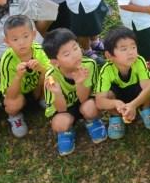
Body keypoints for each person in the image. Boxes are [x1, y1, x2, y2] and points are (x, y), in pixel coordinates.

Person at [42, 27, 107, 155]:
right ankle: (67, 131)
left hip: (84, 101)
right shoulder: (51, 77)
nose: (75, 54)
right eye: (67, 54)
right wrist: (57, 93)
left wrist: (80, 82)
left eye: (75, 48)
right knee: (59, 124)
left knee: (91, 107)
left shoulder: (89, 65)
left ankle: (92, 121)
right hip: (65, 108)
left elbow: (84, 99)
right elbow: (60, 109)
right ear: (55, 62)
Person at [94, 26, 150, 139]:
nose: (131, 52)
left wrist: (133, 105)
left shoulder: (139, 61)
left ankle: (147, 110)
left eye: (133, 47)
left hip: (136, 93)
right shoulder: (106, 70)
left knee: (148, 87)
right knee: (109, 95)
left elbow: (148, 90)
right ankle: (116, 117)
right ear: (109, 55)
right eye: (124, 49)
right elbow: (100, 101)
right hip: (118, 96)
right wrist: (116, 103)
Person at [0, 14, 49, 138]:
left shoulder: (38, 50)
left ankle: (42, 98)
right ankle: (15, 116)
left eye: (26, 36)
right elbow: (9, 94)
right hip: (17, 93)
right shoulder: (7, 60)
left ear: (33, 35)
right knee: (12, 104)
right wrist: (18, 76)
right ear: (7, 42)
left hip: (36, 89)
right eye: (15, 39)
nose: (21, 43)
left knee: (49, 77)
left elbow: (51, 73)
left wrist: (41, 69)